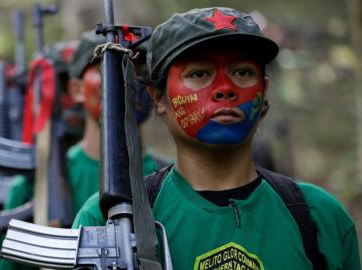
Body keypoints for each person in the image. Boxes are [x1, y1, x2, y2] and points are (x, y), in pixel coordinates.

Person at [72, 7, 360, 269]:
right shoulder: (109, 218)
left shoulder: (320, 217)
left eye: (243, 72)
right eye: (199, 73)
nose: (225, 88)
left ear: (265, 90)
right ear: (158, 97)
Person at [67, 31, 165, 217]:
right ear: (77, 90)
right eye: (107, 70)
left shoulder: (172, 179)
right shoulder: (46, 180)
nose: (128, 80)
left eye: (139, 70)